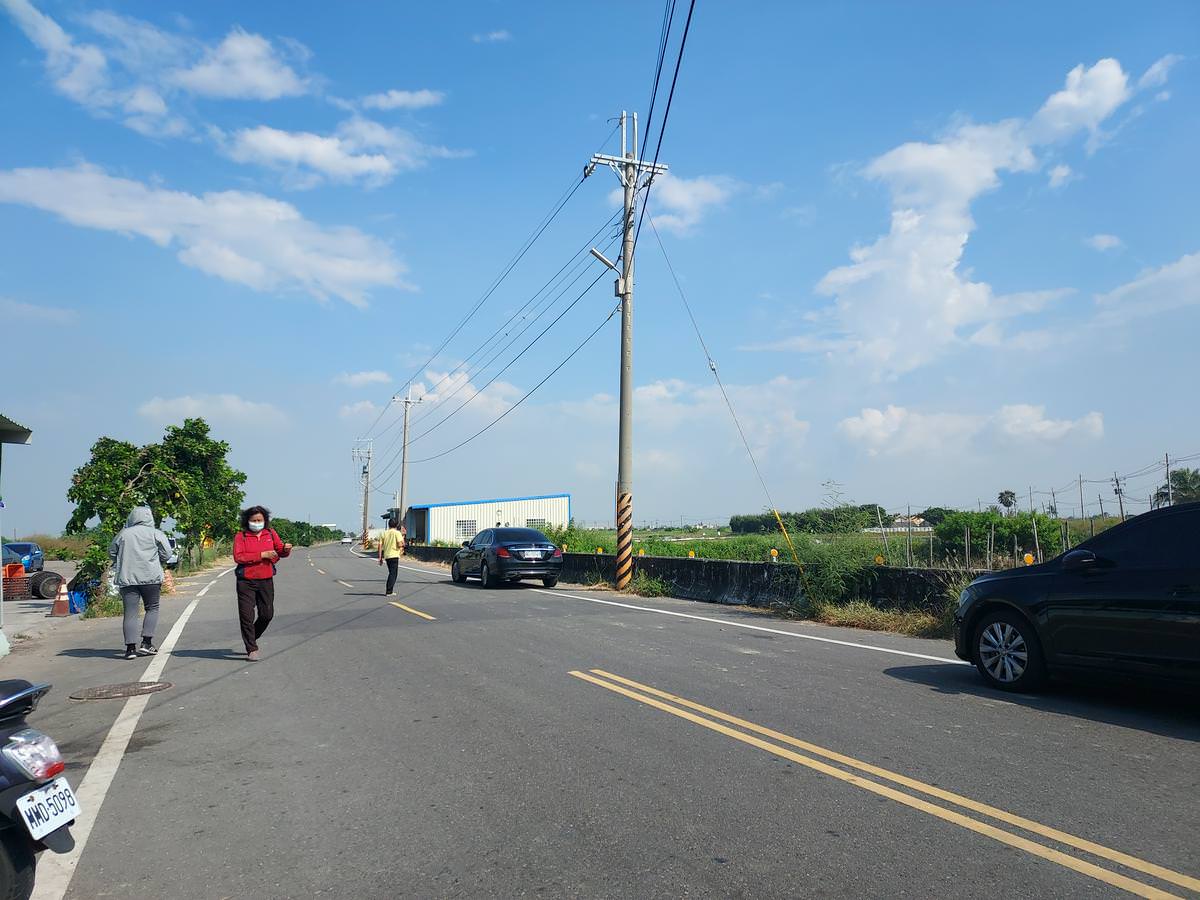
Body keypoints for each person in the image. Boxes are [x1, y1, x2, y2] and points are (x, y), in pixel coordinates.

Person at [109, 506, 172, 660]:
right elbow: (167, 553)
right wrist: (158, 560)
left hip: (127, 578)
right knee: (152, 608)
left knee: (130, 613)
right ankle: (146, 643)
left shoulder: (123, 534)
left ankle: (130, 649)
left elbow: (111, 552)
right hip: (150, 577)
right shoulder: (155, 533)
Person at [232, 506, 292, 661]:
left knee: (267, 615)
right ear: (247, 521)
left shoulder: (270, 534)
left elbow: (280, 551)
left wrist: (286, 549)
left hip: (266, 580)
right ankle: (251, 648)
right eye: (254, 520)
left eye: (260, 520)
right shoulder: (241, 536)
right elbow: (239, 557)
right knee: (246, 615)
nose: (257, 523)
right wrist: (261, 555)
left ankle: (252, 636)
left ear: (265, 521)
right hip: (246, 581)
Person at [377, 517, 405, 596]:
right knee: (393, 574)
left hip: (387, 556)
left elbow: (379, 546)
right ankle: (389, 591)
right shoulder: (397, 533)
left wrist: (380, 558)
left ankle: (390, 590)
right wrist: (403, 543)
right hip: (394, 555)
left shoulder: (384, 533)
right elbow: (400, 544)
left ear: (389, 524)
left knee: (391, 573)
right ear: (396, 525)